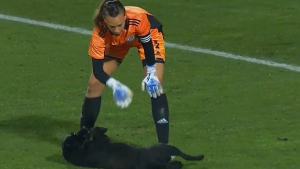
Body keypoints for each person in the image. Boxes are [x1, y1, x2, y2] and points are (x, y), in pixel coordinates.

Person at [80, 0, 170, 144]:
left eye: (120, 25)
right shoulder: (100, 33)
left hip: (146, 36)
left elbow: (147, 46)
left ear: (125, 17)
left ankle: (164, 148)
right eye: (112, 26)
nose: (116, 30)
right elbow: (98, 71)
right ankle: (83, 139)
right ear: (104, 21)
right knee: (94, 85)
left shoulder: (138, 18)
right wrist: (115, 85)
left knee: (155, 86)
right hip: (117, 42)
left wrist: (151, 73)